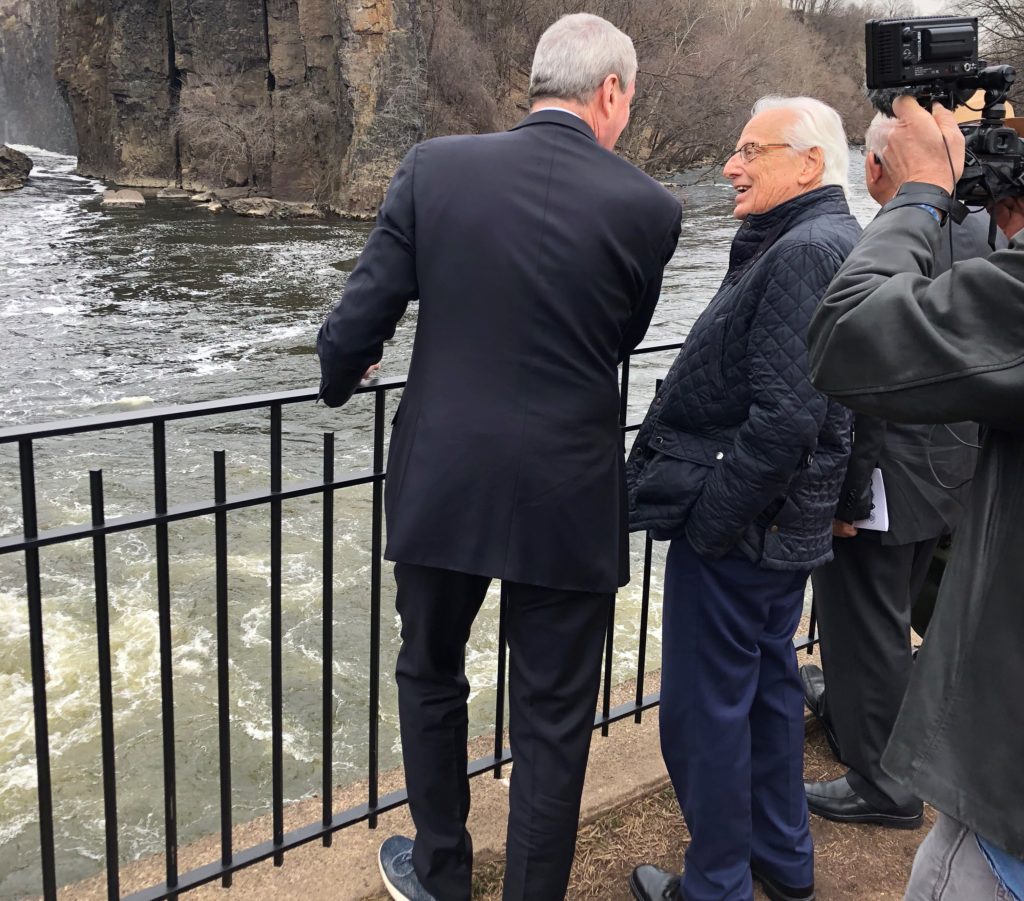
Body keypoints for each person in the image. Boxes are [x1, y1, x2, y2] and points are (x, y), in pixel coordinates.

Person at [316, 13, 682, 901]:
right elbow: (618, 339)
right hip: (569, 489)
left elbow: (357, 322)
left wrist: (342, 373)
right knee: (554, 720)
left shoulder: (435, 167)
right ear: (609, 93)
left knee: (429, 670)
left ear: (538, 80)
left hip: (446, 480)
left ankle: (441, 871)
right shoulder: (651, 209)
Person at [625, 96, 860, 901]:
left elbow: (789, 416)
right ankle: (784, 861)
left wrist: (714, 520)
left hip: (746, 531)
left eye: (750, 151)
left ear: (808, 164)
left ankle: (717, 884)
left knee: (704, 715)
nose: (731, 165)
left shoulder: (801, 251)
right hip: (780, 529)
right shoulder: (824, 238)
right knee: (764, 690)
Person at [807, 94, 1024, 901]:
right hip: (948, 475)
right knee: (888, 624)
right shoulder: (985, 238)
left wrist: (921, 194)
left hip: (897, 475)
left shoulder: (916, 228)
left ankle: (883, 782)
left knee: (868, 630)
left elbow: (856, 346)